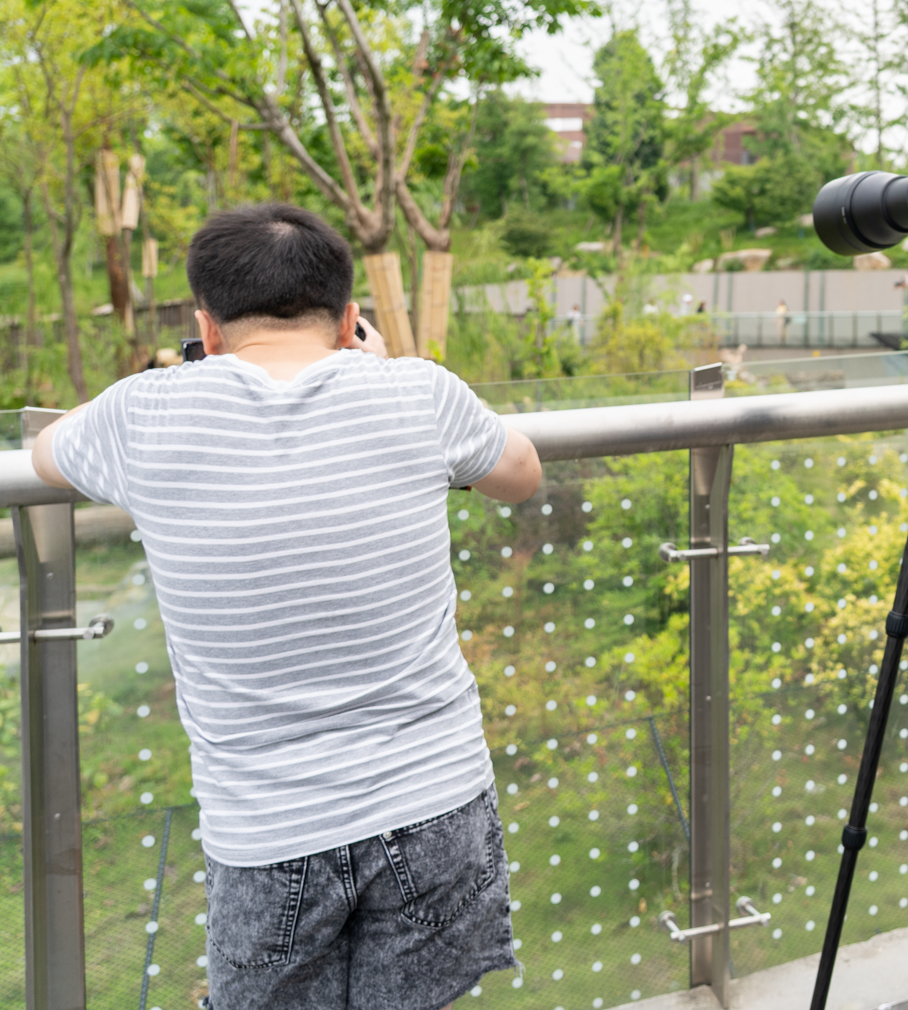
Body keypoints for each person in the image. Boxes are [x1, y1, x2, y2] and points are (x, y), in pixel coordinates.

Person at [31, 203, 542, 1009]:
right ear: (348, 318)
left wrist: (184, 381)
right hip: (437, 799)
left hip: (269, 830)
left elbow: (45, 452)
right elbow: (521, 474)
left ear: (208, 321)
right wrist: (382, 368)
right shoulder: (415, 391)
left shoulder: (145, 412)